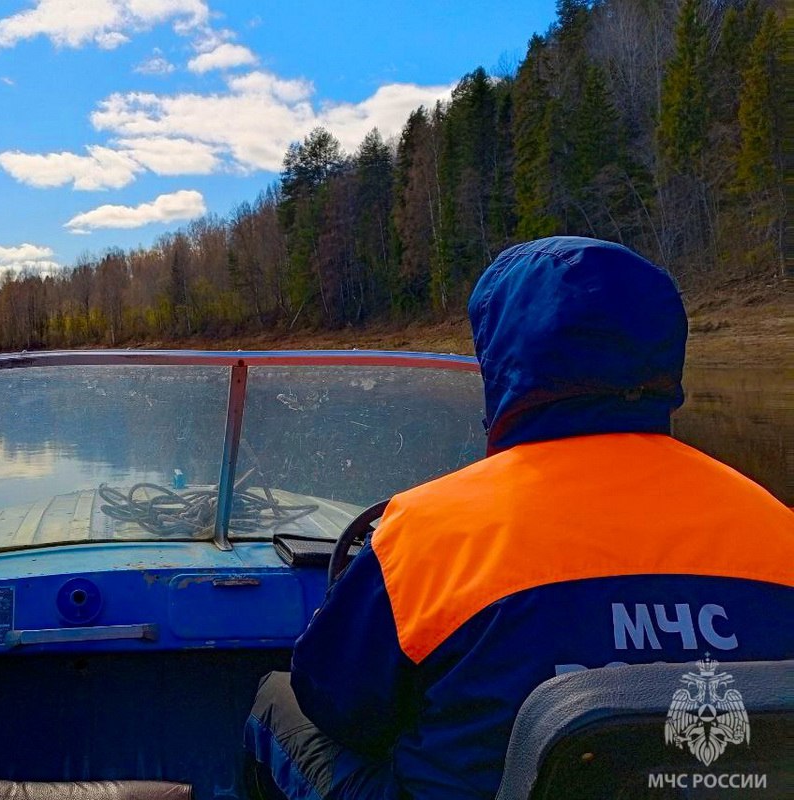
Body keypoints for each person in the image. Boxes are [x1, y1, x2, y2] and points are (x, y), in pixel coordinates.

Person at [244, 236, 794, 799]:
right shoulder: (778, 527)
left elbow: (335, 703)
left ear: (503, 360)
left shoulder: (429, 531)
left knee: (275, 697)